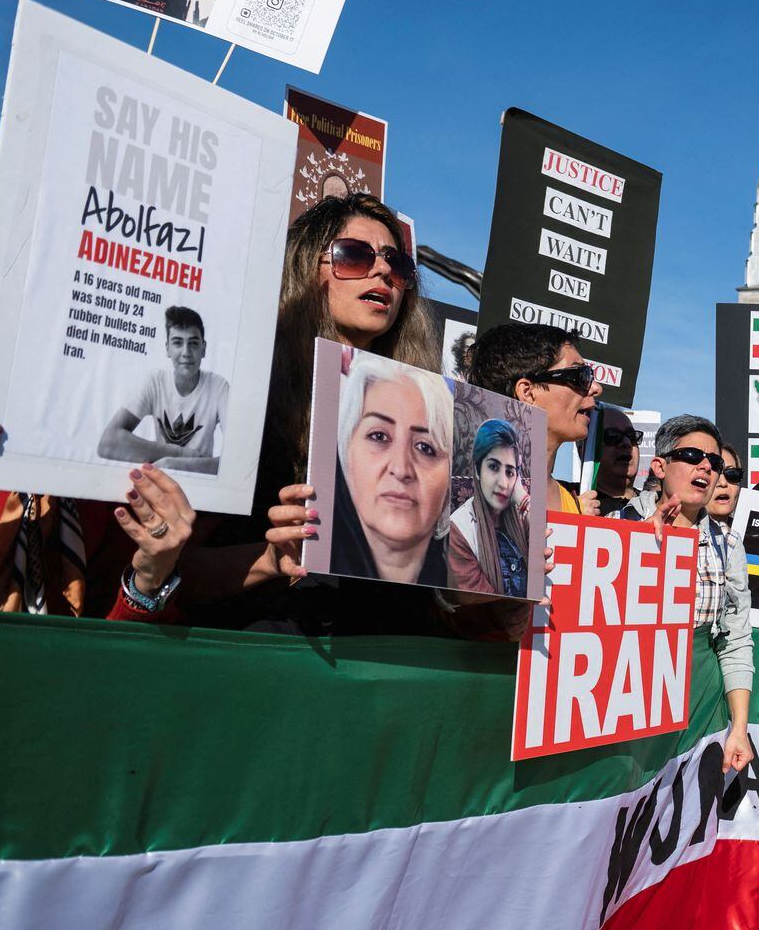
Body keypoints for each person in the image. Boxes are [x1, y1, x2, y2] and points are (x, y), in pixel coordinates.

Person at [176, 193, 446, 634]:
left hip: (391, 674)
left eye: (397, 266)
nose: (382, 271)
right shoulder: (243, 399)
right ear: (305, 268)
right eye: (353, 255)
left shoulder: (434, 419)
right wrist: (269, 560)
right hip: (272, 666)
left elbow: (432, 598)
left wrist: (487, 600)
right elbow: (173, 573)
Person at [0, 156, 195, 620]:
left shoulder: (96, 416)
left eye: (31, 236)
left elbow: (107, 655)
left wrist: (149, 577)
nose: (8, 250)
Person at [615, 414, 754, 772]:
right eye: (692, 456)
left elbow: (735, 641)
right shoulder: (613, 527)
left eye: (715, 461)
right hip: (624, 712)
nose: (707, 466)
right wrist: (636, 545)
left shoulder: (728, 545)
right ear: (660, 466)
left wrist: (739, 728)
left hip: (699, 710)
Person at [331, 354, 452, 588]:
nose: (400, 468)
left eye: (425, 447)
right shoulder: (296, 614)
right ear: (347, 452)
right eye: (379, 436)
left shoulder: (466, 605)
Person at [464, 323, 601, 516]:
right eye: (580, 376)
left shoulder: (574, 505)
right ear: (527, 392)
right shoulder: (465, 496)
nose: (596, 387)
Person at [96, 305, 229, 474]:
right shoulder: (155, 382)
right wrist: (177, 453)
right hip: (160, 479)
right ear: (167, 349)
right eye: (177, 343)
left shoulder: (219, 387)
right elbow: (107, 443)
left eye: (193, 343)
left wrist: (180, 465)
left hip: (201, 483)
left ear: (203, 348)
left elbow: (237, 458)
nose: (186, 352)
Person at [448, 419, 529, 597]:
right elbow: (487, 607)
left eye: (510, 472)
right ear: (477, 470)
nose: (503, 483)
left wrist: (523, 499)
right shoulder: (459, 531)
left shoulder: (522, 517)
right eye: (493, 467)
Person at [592, 406, 643, 510]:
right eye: (613, 436)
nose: (626, 443)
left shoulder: (655, 505)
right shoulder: (569, 500)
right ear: (582, 450)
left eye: (632, 436)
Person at [705, 443, 743, 526]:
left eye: (732, 474)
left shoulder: (751, 536)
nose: (723, 483)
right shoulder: (681, 533)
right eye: (713, 473)